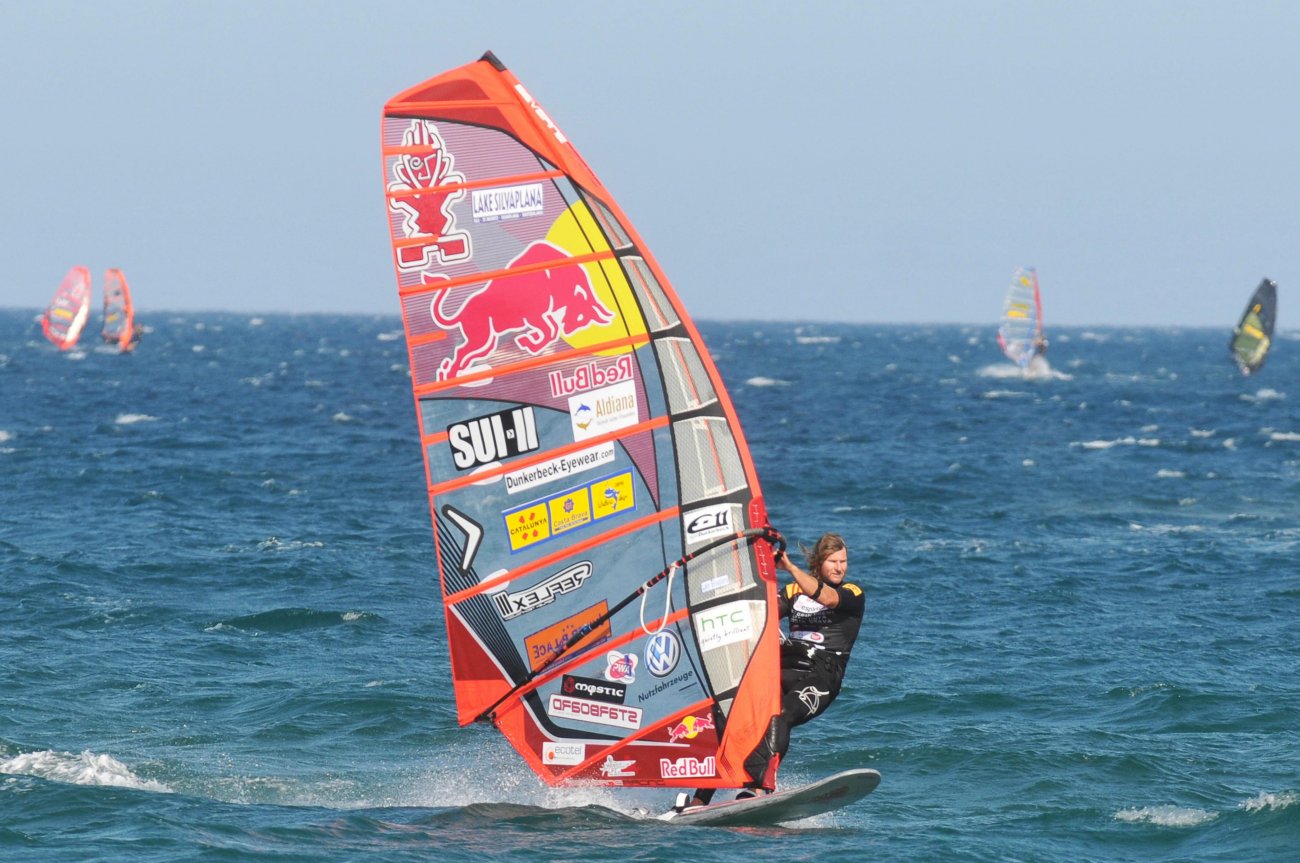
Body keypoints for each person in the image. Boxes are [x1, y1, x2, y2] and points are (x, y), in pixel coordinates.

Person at [675, 533, 866, 810]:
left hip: (822, 675)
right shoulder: (793, 592)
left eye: (843, 561)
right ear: (819, 562)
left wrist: (789, 567)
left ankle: (758, 787)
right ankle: (699, 799)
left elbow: (826, 597)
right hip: (782, 667)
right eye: (833, 561)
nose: (840, 568)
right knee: (733, 715)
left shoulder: (852, 593)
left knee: (781, 714)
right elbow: (758, 614)